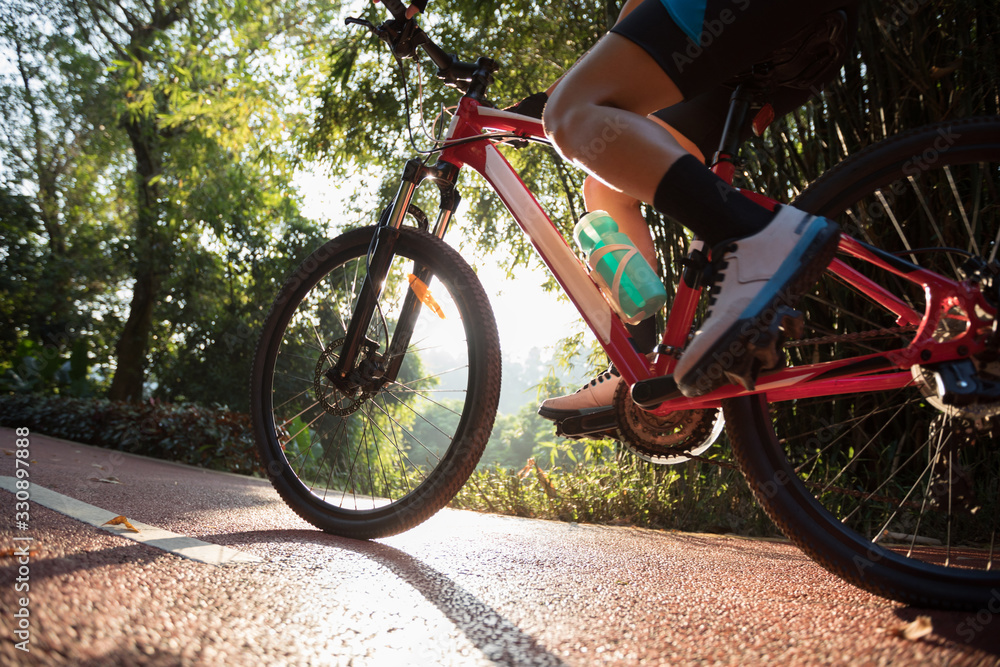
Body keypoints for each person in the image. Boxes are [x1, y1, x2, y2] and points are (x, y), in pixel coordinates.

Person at [382, 0, 857, 413]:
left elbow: (638, 16)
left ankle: (753, 237)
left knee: (571, 113)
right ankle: (643, 361)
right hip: (797, 35)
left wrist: (559, 100)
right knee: (607, 190)